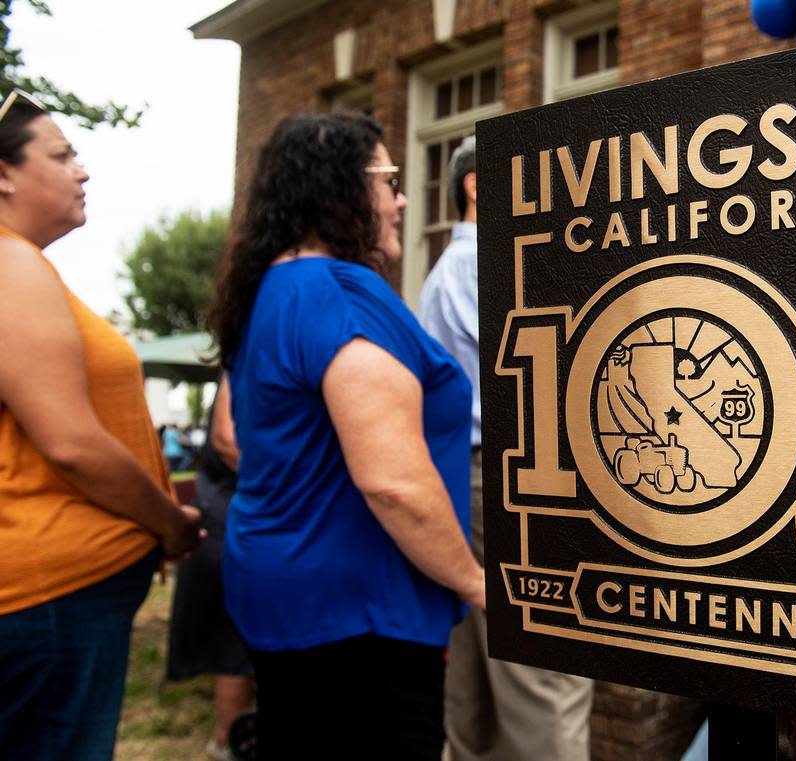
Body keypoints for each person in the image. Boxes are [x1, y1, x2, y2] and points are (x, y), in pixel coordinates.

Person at [208, 112, 485, 760]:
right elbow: (393, 482)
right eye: (388, 180)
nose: (401, 199)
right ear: (341, 189)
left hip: (285, 597)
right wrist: (476, 581)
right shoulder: (340, 294)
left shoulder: (269, 289)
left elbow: (234, 436)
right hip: (360, 616)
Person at [0, 90, 202, 760]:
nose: (82, 171)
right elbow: (72, 443)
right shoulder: (10, 263)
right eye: (62, 156)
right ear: (4, 174)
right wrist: (169, 522)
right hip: (52, 602)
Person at [419, 135, 594, 761]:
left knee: (478, 679)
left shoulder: (449, 272)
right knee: (548, 666)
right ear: (476, 186)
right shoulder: (481, 266)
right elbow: (536, 383)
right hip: (511, 476)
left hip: (473, 478)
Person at [166, 374, 254, 761]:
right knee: (232, 637)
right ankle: (225, 742)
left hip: (244, 508)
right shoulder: (244, 356)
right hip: (233, 509)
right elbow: (228, 440)